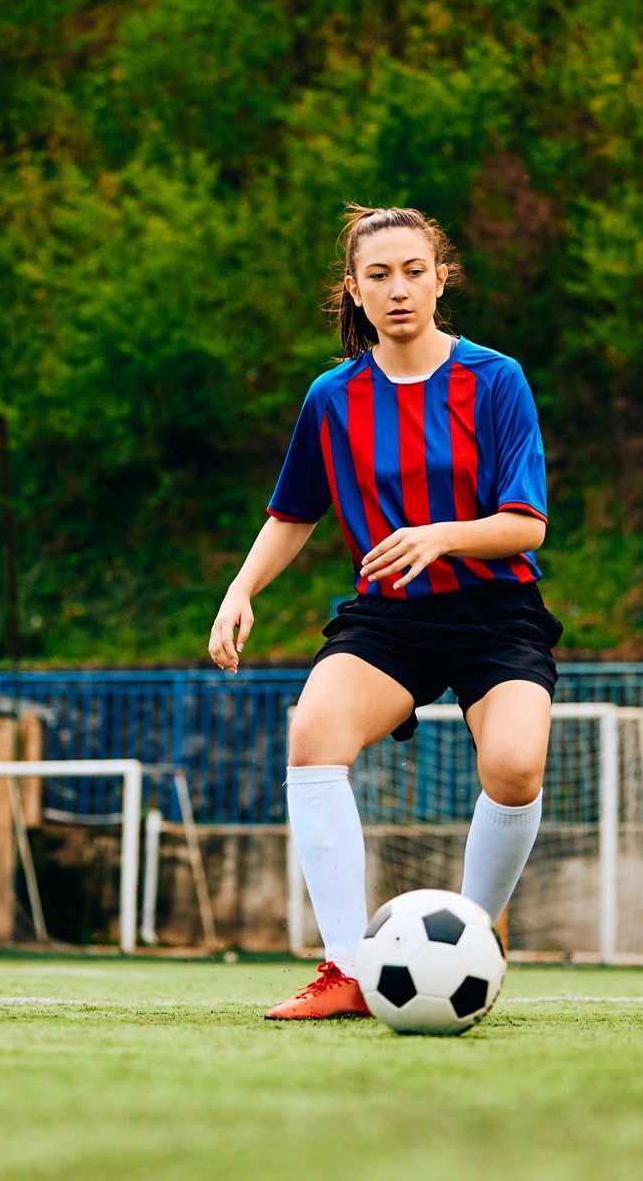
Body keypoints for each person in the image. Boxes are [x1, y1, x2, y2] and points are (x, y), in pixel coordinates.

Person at [209, 205, 559, 1020]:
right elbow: (294, 512)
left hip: (496, 611)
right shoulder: (333, 397)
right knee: (312, 733)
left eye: (412, 271)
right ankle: (345, 970)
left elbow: (526, 524)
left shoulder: (495, 379)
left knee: (515, 768)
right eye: (379, 275)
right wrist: (240, 589)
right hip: (390, 618)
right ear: (354, 291)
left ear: (441, 280)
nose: (397, 289)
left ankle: (475, 940)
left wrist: (441, 536)